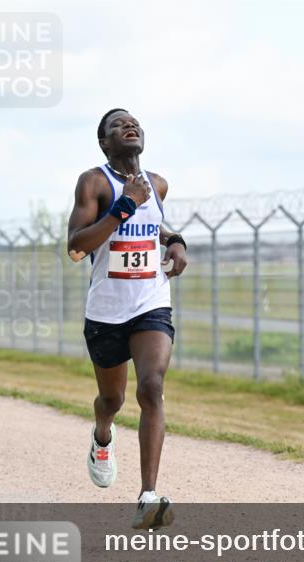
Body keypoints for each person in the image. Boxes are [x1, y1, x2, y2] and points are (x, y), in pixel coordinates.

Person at [66, 108, 188, 529]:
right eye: (117, 124)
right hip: (105, 313)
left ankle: (148, 496)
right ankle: (103, 435)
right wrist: (122, 207)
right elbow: (77, 247)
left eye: (133, 121)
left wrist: (175, 241)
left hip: (151, 301)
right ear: (104, 142)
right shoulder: (94, 182)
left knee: (151, 387)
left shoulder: (157, 185)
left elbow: (152, 225)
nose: (128, 125)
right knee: (113, 400)